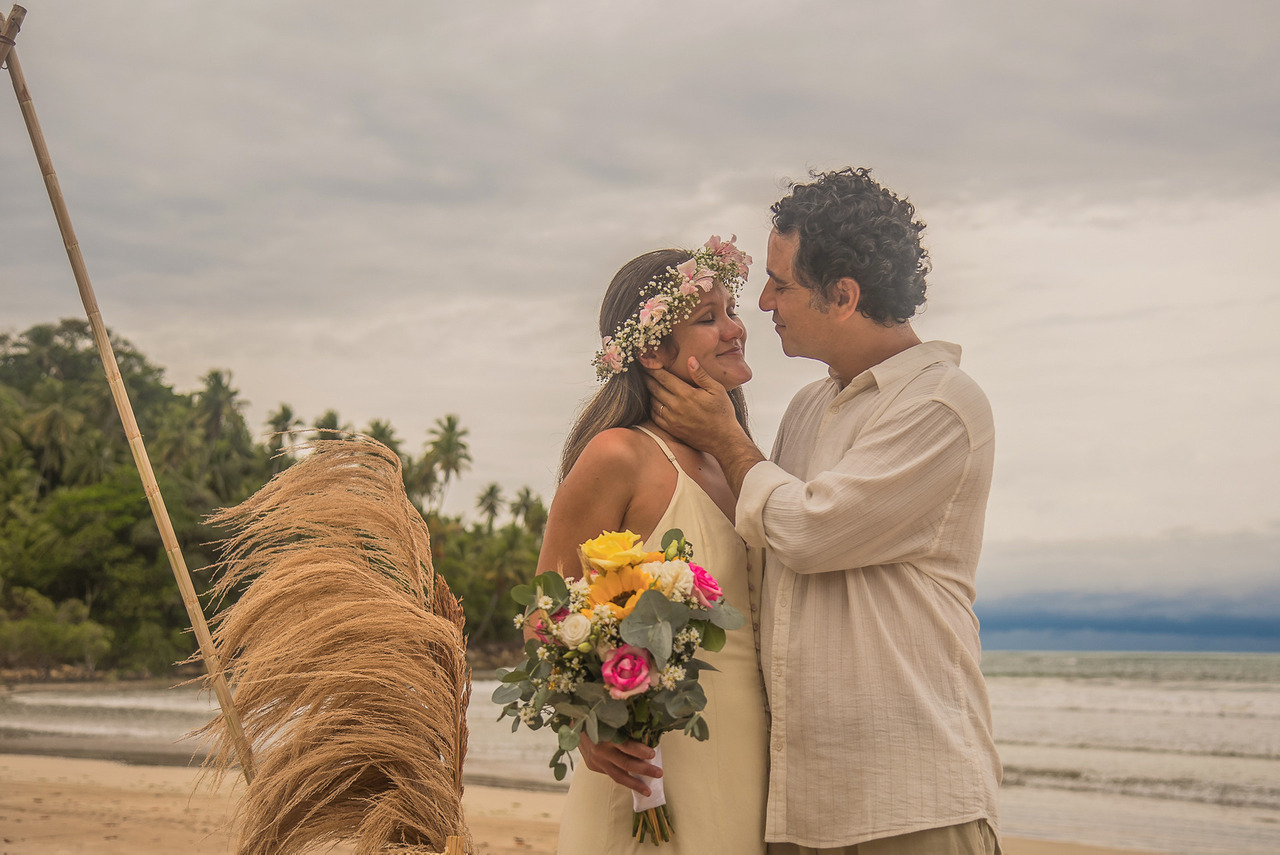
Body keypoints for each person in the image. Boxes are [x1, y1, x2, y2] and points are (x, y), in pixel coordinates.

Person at [646, 168, 1002, 855]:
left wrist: (726, 438)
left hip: (912, 804)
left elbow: (807, 530)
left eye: (781, 282)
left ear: (843, 295)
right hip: (800, 809)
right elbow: (759, 565)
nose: (763, 299)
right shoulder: (811, 406)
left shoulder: (944, 405)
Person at [543, 238, 769, 855]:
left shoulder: (744, 466)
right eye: (708, 318)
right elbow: (549, 612)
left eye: (731, 309)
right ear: (652, 351)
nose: (734, 329)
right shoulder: (619, 456)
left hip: (754, 756)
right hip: (655, 765)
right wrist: (585, 720)